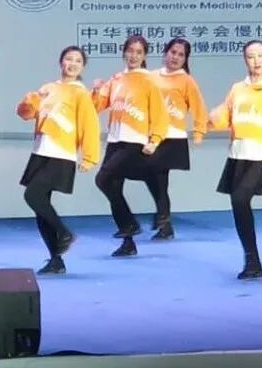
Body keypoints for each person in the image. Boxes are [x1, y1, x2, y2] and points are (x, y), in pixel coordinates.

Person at [16, 46, 100, 275]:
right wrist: (29, 101)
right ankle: (56, 259)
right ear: (61, 62)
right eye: (68, 59)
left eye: (78, 61)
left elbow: (90, 125)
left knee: (32, 195)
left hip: (61, 154)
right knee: (40, 208)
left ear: (82, 67)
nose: (72, 64)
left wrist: (90, 157)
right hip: (41, 151)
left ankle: (64, 233)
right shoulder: (48, 89)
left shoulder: (80, 93)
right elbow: (26, 114)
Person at [210, 41, 262, 279]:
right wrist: (211, 119)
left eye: (261, 55)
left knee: (240, 198)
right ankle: (251, 260)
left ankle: (253, 260)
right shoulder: (237, 88)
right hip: (237, 154)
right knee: (238, 204)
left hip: (260, 156)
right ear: (245, 60)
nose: (257, 61)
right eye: (251, 56)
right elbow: (227, 116)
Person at [92, 35, 169, 258]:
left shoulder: (149, 81)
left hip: (135, 141)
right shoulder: (116, 79)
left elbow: (160, 114)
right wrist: (96, 91)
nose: (134, 56)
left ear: (144, 56)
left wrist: (155, 140)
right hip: (115, 140)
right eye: (130, 51)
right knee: (113, 187)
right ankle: (128, 242)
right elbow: (97, 106)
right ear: (124, 52)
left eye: (139, 52)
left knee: (102, 179)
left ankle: (131, 224)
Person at [149, 38, 207, 240]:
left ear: (185, 59)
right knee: (153, 178)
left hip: (172, 136)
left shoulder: (186, 80)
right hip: (151, 135)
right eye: (173, 52)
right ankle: (162, 217)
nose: (175, 57)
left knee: (159, 177)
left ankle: (164, 220)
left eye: (181, 55)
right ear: (166, 52)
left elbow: (199, 107)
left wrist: (199, 131)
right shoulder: (151, 76)